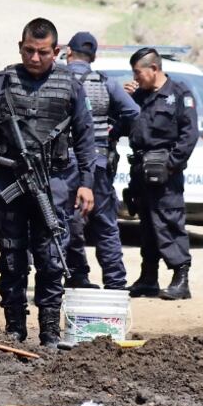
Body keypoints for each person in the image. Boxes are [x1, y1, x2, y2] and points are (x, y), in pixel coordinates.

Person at [0, 18, 96, 347]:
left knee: (51, 258)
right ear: (19, 47)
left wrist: (86, 183)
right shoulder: (0, 83)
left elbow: (85, 138)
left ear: (56, 51)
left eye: (42, 52)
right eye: (28, 51)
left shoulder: (70, 85)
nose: (34, 58)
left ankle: (50, 331)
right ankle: (15, 327)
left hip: (52, 182)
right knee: (11, 257)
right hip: (9, 180)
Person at [61, 32, 139, 290]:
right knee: (105, 223)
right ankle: (115, 282)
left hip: (63, 164)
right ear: (93, 57)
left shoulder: (56, 80)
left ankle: (77, 275)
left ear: (68, 52)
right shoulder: (107, 83)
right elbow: (133, 112)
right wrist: (111, 129)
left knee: (68, 221)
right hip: (98, 163)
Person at [125, 48, 199, 301]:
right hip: (140, 170)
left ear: (153, 69)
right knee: (147, 225)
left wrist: (171, 164)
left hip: (165, 172)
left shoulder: (179, 94)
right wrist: (124, 99)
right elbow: (125, 124)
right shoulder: (138, 96)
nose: (135, 77)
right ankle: (148, 278)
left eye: (138, 72)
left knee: (169, 221)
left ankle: (181, 279)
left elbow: (189, 135)